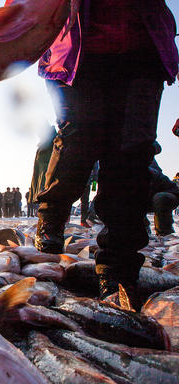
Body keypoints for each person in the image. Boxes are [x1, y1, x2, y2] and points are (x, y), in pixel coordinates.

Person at [35, 0, 178, 305]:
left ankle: (117, 272)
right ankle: (52, 213)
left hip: (143, 50)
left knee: (131, 156)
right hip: (75, 53)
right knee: (79, 135)